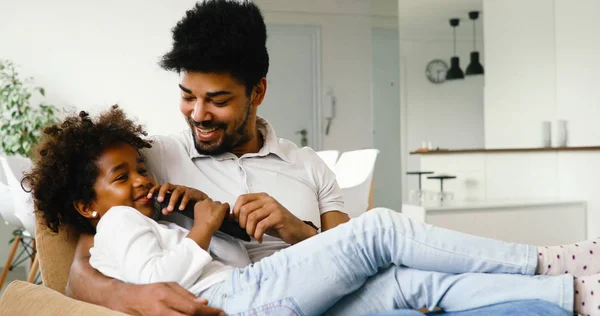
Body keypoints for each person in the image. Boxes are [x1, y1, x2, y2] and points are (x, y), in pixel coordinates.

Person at [23, 106, 600, 316]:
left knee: (409, 288)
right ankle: (546, 261)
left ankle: (572, 298)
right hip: (244, 297)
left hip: (273, 288)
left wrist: (283, 224)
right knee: (381, 233)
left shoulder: (306, 166)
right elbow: (127, 272)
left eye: (219, 100)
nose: (144, 179)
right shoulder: (129, 208)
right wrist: (201, 227)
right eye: (188, 96)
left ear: (256, 93)